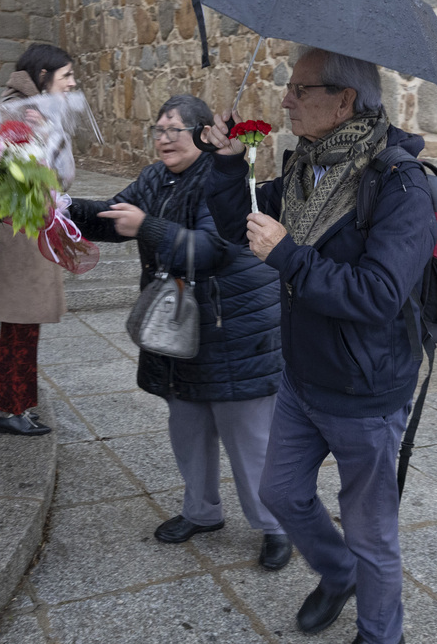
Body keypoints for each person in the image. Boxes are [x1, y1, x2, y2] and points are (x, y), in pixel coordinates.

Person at [203, 48, 436, 644]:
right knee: (279, 491)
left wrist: (287, 255)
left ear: (344, 101)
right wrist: (231, 165)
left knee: (372, 533)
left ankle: (382, 634)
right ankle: (338, 574)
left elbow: (378, 293)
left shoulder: (399, 185)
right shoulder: (309, 167)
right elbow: (240, 229)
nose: (286, 99)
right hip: (302, 378)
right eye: (289, 87)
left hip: (365, 391)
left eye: (300, 89)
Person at [70, 95, 291, 570]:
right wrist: (61, 207)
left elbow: (213, 249)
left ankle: (275, 526)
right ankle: (202, 512)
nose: (165, 137)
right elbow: (113, 216)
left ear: (202, 133)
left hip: (234, 327)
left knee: (248, 436)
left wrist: (147, 227)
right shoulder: (155, 178)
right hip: (183, 323)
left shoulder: (222, 177)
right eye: (159, 128)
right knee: (187, 425)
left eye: (176, 129)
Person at [0, 44, 78, 436]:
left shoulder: (35, 110)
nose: (73, 83)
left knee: (22, 326)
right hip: (16, 238)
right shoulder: (16, 113)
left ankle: (0, 399)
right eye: (66, 75)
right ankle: (8, 408)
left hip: (30, 234)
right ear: (42, 76)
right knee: (22, 326)